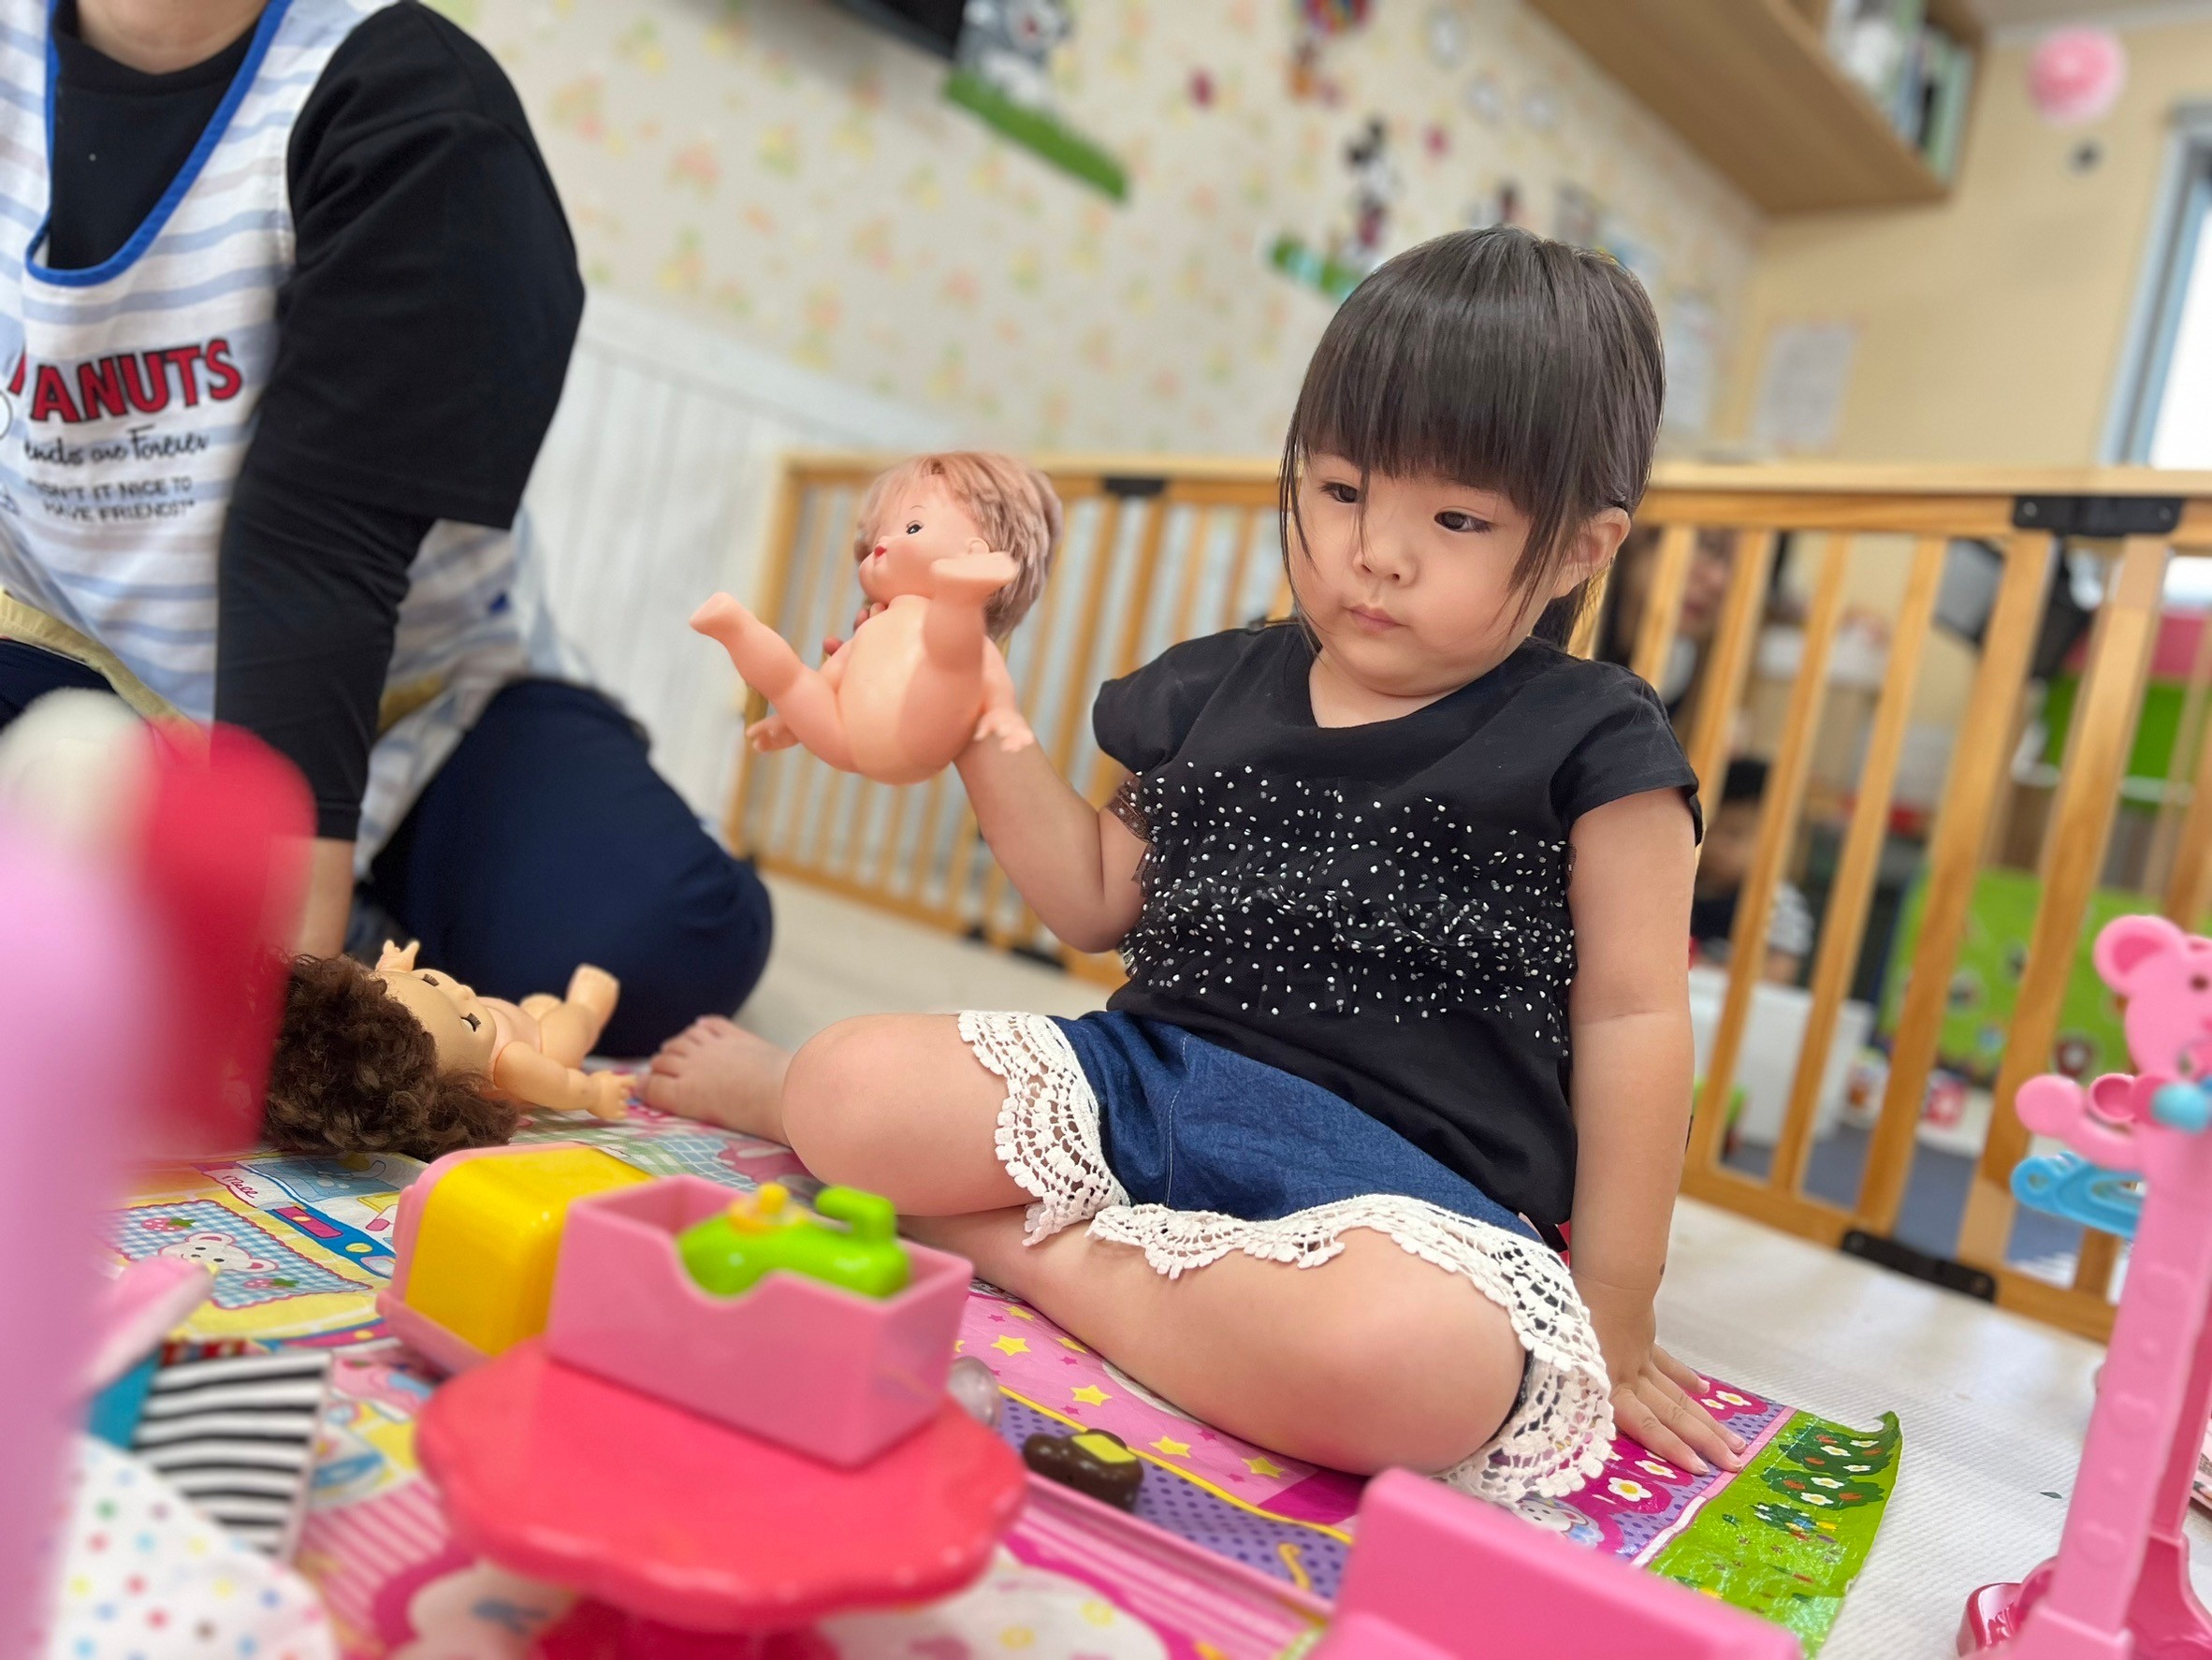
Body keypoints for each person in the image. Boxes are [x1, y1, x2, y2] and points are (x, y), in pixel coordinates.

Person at [645, 229, 1746, 1498]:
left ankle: (1020, 1247)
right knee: (852, 1081)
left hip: (1409, 1187)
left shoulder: (1598, 743)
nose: (1377, 552)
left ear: (1579, 550)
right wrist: (983, 719)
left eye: (1456, 518)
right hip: (1151, 1085)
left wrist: (1615, 1305)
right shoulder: (1218, 683)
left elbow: (1633, 1018)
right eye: (1342, 491)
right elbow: (1094, 895)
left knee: (1414, 1368)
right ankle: (827, 1111)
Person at [0, 0, 770, 1055]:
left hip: (407, 703)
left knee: (660, 943)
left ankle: (360, 901)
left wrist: (286, 1003)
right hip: (64, 643)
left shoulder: (417, 110)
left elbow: (315, 560)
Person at [1689, 759, 1813, 985]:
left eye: (1734, 835)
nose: (1715, 845)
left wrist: (1718, 975)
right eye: (1707, 829)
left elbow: (1780, 969)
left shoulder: (1777, 901)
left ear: (1777, 842)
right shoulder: (1680, 885)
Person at [1599, 522, 1735, 719]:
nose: (1718, 580)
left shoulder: (1682, 674)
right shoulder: (1569, 634)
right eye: (1708, 545)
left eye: (1743, 570)